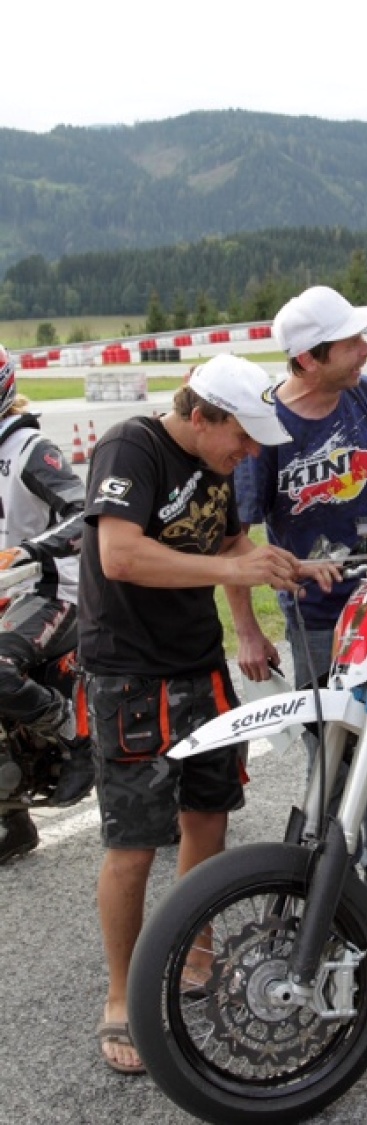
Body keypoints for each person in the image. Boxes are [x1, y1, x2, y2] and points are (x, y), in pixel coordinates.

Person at [77, 354, 340, 1075]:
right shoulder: (130, 447)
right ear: (200, 417)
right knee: (132, 843)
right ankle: (122, 994)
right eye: (242, 438)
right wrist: (234, 570)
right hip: (130, 673)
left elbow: (227, 542)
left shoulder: (217, 465)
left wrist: (280, 562)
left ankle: (194, 953)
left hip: (198, 663)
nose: (249, 453)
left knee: (208, 815)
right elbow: (122, 554)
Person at [232, 285, 367, 919]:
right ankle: (328, 880)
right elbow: (237, 540)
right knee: (332, 747)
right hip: (320, 624)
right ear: (307, 359)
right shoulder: (268, 429)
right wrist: (247, 631)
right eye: (352, 343)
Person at [0, 343, 94, 865]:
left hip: (50, 590)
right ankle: (12, 817)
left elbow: (84, 512)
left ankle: (75, 733)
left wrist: (31, 550)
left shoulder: (30, 448)